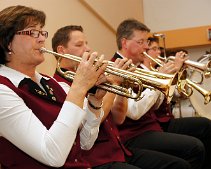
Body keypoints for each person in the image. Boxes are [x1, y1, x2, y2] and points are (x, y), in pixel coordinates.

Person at [51, 24, 191, 169]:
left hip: (119, 150)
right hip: (98, 158)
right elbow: (97, 119)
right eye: (80, 45)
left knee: (180, 165)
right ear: (62, 50)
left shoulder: (91, 77)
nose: (88, 49)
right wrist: (114, 83)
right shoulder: (61, 84)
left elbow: (119, 118)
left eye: (86, 43)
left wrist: (121, 85)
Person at [0, 5, 109, 169]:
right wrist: (79, 88)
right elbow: (53, 156)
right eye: (32, 33)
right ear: (7, 43)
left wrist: (95, 100)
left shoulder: (53, 83)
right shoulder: (3, 91)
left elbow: (86, 143)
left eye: (42, 32)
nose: (41, 39)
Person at [112, 18, 206, 169]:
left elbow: (155, 106)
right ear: (125, 42)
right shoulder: (116, 67)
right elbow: (134, 112)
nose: (145, 48)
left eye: (146, 42)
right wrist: (158, 83)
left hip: (149, 128)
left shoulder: (133, 66)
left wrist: (165, 80)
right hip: (132, 135)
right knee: (194, 147)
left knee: (200, 135)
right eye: (141, 42)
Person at [147, 37, 211, 169]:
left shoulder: (159, 68)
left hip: (166, 120)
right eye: (154, 49)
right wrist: (174, 70)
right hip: (158, 123)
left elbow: (179, 94)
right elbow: (158, 102)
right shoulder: (150, 71)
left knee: (205, 124)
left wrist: (181, 72)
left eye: (159, 48)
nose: (158, 52)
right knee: (196, 142)